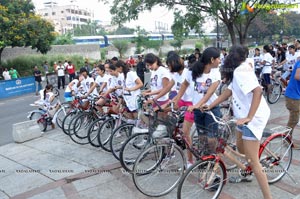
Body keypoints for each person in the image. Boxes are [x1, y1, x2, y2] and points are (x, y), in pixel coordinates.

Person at [204, 45, 272, 199]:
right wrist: (211, 105)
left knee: (253, 162)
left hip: (252, 119)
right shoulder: (238, 70)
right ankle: (249, 166)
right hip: (242, 118)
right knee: (241, 149)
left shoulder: (240, 71)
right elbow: (229, 91)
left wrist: (249, 117)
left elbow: (258, 91)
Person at [285, 59, 300, 149]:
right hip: (293, 96)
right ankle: (287, 140)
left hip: (294, 95)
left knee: (294, 119)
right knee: (294, 120)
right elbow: (297, 76)